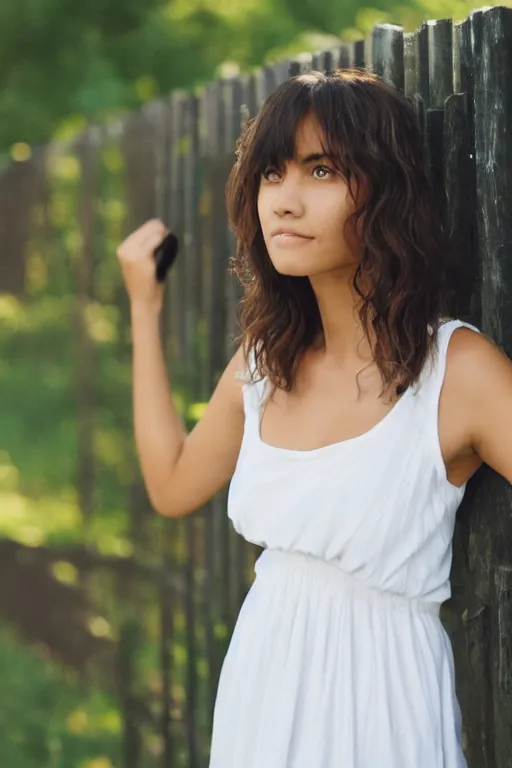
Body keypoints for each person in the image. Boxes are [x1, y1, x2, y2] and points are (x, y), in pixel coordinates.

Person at [117, 68, 512, 767]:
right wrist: (144, 311)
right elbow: (172, 486)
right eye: (272, 174)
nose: (285, 202)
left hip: (384, 709)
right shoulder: (265, 364)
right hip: (261, 693)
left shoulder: (459, 371)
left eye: (321, 169)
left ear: (386, 192)